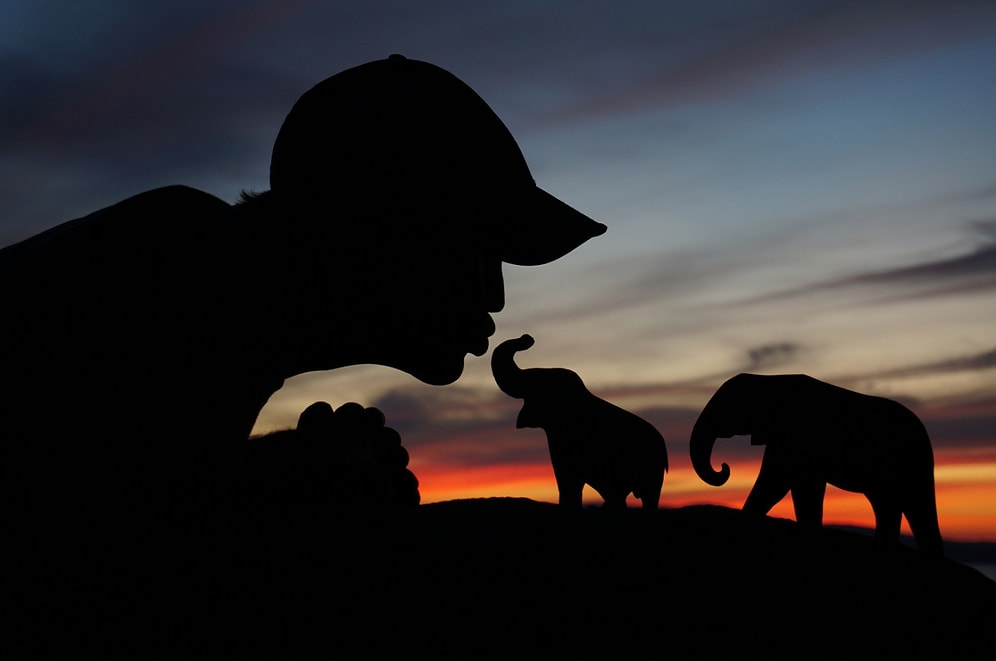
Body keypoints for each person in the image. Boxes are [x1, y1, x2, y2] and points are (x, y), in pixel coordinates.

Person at [0, 54, 605, 537]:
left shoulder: (199, 275)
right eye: (479, 250)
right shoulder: (167, 272)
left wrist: (277, 472)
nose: (495, 296)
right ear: (381, 225)